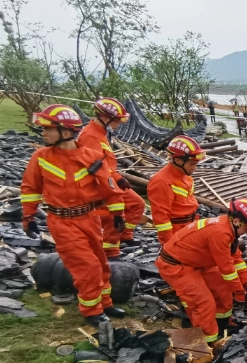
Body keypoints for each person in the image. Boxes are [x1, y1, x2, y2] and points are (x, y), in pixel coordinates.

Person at [21, 105, 126, 325]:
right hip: (61, 222)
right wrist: (28, 217)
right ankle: (91, 311)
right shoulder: (41, 157)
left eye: (48, 129)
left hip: (89, 218)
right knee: (87, 267)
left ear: (66, 132)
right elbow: (31, 189)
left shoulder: (93, 158)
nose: (43, 134)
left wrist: (117, 213)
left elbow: (110, 188)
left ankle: (105, 303)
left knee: (101, 263)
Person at [155, 198, 247, 344]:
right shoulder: (220, 233)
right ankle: (206, 343)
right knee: (204, 303)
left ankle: (223, 324)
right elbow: (227, 269)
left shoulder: (229, 229)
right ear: (237, 221)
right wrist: (239, 293)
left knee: (222, 287)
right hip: (176, 266)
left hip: (196, 262)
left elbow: (236, 259)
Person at [78, 98, 146, 260]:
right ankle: (110, 251)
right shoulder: (90, 135)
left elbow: (103, 162)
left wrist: (117, 177)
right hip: (101, 184)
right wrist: (116, 178)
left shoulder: (100, 133)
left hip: (111, 179)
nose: (119, 124)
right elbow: (94, 166)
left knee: (137, 204)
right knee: (112, 216)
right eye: (117, 120)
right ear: (105, 117)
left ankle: (126, 236)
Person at [148, 136, 204, 245]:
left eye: (196, 164)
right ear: (178, 160)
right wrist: (170, 244)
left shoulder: (186, 177)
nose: (195, 168)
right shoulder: (161, 182)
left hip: (190, 227)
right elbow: (161, 219)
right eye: (192, 164)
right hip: (177, 233)